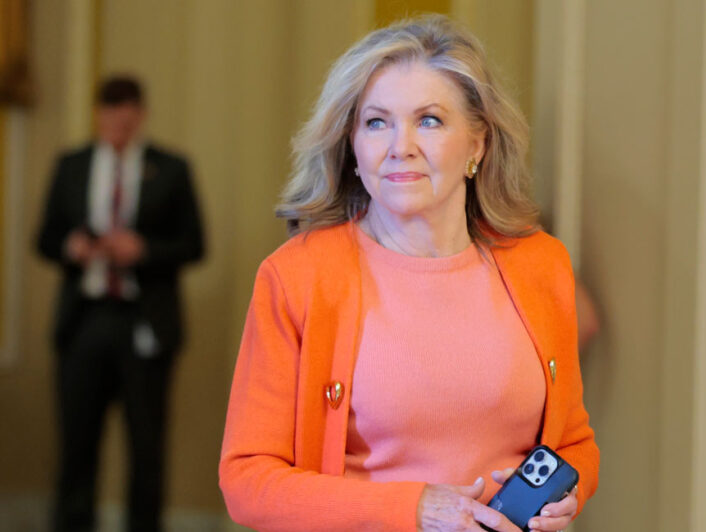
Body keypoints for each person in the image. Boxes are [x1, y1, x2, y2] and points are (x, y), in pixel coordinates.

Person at [219, 15, 599, 532]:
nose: (401, 146)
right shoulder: (297, 277)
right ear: (353, 146)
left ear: (478, 143)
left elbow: (575, 443)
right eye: (377, 122)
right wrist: (414, 509)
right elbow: (247, 481)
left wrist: (569, 494)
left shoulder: (541, 263)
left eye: (429, 121)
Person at [36, 75, 205, 531]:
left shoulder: (170, 169)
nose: (119, 123)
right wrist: (71, 247)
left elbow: (194, 243)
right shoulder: (72, 166)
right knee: (76, 443)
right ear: (99, 115)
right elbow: (45, 237)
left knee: (146, 445)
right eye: (110, 115)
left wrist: (143, 249)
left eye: (127, 116)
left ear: (140, 115)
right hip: (84, 319)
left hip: (144, 320)